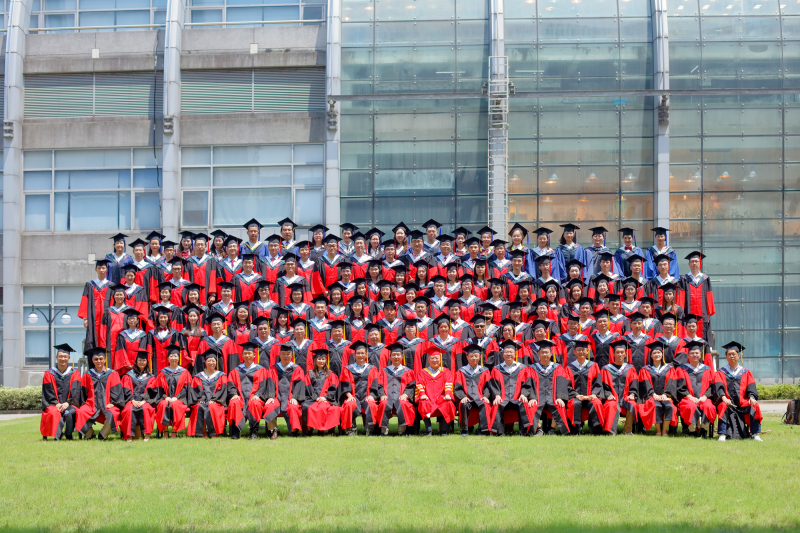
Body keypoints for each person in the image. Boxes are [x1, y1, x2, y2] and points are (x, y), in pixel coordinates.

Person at [715, 341, 763, 441]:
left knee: (754, 405)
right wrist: (724, 398)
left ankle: (755, 434)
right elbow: (718, 388)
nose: (731, 356)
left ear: (738, 355)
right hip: (727, 402)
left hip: (742, 403)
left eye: (734, 354)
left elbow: (751, 387)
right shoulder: (721, 372)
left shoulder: (745, 372)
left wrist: (752, 397)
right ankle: (722, 434)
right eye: (729, 354)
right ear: (726, 356)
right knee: (722, 405)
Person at [75, 348, 124, 440]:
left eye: (101, 359)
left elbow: (117, 392)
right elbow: (83, 392)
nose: (99, 361)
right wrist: (84, 404)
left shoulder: (112, 374)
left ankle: (103, 435)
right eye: (96, 359)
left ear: (105, 359)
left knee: (113, 413)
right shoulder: (87, 374)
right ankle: (89, 435)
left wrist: (113, 403)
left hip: (107, 404)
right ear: (92, 360)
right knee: (81, 411)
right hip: (91, 404)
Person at [227, 342, 271, 440]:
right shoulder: (236, 370)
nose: (247, 356)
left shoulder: (261, 370)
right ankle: (236, 432)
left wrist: (258, 395)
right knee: (234, 402)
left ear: (254, 355)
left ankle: (253, 432)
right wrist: (234, 394)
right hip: (240, 397)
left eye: (249, 353)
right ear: (242, 355)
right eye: (245, 353)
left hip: (254, 396)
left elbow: (263, 385)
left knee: (255, 403)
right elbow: (231, 384)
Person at [491, 340, 536, 436]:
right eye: (506, 352)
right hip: (503, 398)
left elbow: (527, 384)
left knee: (523, 403)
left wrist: (523, 394)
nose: (509, 354)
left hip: (517, 398)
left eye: (511, 352)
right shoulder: (496, 369)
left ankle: (523, 432)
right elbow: (493, 384)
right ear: (503, 354)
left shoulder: (522, 368)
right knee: (497, 404)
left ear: (515, 354)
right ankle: (499, 432)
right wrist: (497, 395)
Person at [673, 340, 717, 438]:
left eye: (697, 353)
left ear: (700, 355)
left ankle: (704, 428)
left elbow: (711, 386)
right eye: (692, 353)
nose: (694, 355)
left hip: (703, 398)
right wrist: (690, 397)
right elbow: (680, 386)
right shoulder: (681, 369)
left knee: (708, 406)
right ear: (688, 355)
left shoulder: (707, 369)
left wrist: (705, 397)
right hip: (687, 398)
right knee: (690, 406)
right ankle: (692, 429)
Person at [528, 339, 571, 436]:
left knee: (559, 405)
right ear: (538, 354)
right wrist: (532, 398)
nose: (544, 354)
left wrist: (559, 397)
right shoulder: (532, 368)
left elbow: (561, 383)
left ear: (551, 354)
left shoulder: (557, 367)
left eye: (547, 352)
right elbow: (529, 384)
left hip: (553, 396)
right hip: (538, 397)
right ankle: (539, 429)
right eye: (542, 352)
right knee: (532, 406)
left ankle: (552, 429)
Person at [40, 344, 82, 441]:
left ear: (69, 358)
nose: (63, 359)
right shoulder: (49, 374)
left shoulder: (75, 373)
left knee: (69, 412)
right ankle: (57, 435)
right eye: (60, 356)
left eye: (65, 357)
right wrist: (57, 403)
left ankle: (68, 434)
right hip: (54, 403)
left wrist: (67, 403)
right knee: (53, 412)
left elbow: (76, 390)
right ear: (56, 357)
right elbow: (48, 391)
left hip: (70, 403)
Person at [374, 343, 417, 436]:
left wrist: (405, 395)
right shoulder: (384, 371)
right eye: (394, 355)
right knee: (384, 403)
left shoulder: (408, 371)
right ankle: (384, 431)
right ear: (390, 357)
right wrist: (382, 395)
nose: (396, 357)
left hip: (401, 397)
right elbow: (379, 385)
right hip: (387, 397)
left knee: (403, 403)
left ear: (402, 357)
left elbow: (411, 386)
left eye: (398, 355)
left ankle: (402, 431)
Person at [338, 341, 380, 436]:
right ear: (354, 355)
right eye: (358, 353)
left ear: (366, 355)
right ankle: (351, 430)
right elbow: (344, 384)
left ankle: (370, 430)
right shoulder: (348, 369)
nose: (360, 355)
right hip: (353, 396)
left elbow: (375, 384)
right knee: (349, 404)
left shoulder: (372, 368)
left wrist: (372, 395)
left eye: (362, 353)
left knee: (371, 405)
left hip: (367, 396)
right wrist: (349, 396)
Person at [637, 340, 679, 436]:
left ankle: (664, 431)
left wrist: (666, 394)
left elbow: (671, 383)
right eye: (654, 353)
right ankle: (658, 431)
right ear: (651, 356)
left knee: (669, 406)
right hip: (651, 396)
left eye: (659, 352)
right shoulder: (645, 369)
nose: (657, 355)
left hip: (665, 396)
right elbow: (646, 383)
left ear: (662, 354)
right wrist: (653, 394)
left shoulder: (669, 369)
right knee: (656, 406)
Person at [564, 340, 605, 435]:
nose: (581, 352)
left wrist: (594, 394)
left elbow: (598, 383)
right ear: (574, 352)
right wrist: (576, 395)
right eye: (578, 350)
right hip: (575, 397)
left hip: (590, 396)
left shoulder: (593, 366)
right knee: (574, 404)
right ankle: (576, 429)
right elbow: (567, 385)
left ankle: (595, 429)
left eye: (583, 350)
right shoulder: (569, 367)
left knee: (596, 403)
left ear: (587, 351)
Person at [599, 339, 639, 435]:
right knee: (611, 405)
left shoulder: (630, 368)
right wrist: (608, 394)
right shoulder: (606, 369)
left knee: (633, 404)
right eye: (617, 352)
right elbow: (603, 385)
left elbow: (634, 383)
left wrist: (632, 394)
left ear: (625, 354)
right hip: (612, 397)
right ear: (613, 354)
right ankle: (611, 431)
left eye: (622, 352)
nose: (620, 354)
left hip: (625, 397)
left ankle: (627, 431)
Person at [454, 344, 495, 436]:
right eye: (471, 356)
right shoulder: (461, 371)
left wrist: (485, 396)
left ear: (480, 357)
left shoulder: (484, 371)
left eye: (476, 356)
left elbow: (488, 386)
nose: (474, 358)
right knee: (464, 404)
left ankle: (482, 430)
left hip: (480, 397)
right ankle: (465, 430)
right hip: (467, 397)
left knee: (485, 403)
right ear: (467, 357)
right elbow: (457, 387)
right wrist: (463, 397)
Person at [415, 347, 456, 436]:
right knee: (423, 402)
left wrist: (448, 394)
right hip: (428, 398)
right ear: (428, 359)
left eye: (437, 358)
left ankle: (443, 430)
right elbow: (419, 384)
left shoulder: (445, 371)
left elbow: (449, 383)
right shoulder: (423, 372)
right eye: (432, 358)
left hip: (441, 398)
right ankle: (429, 430)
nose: (434, 360)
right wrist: (422, 394)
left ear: (440, 359)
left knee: (448, 403)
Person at [154, 345, 192, 438]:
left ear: (179, 358)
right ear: (167, 358)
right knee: (163, 404)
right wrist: (165, 397)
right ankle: (166, 431)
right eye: (171, 356)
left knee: (175, 405)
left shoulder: (185, 372)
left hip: (180, 399)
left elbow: (187, 389)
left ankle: (174, 432)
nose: (173, 358)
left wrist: (177, 397)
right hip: (165, 398)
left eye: (175, 356)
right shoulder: (163, 372)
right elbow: (158, 388)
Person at [187, 351, 228, 438]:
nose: (211, 363)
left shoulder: (221, 376)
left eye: (213, 361)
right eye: (209, 361)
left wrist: (214, 399)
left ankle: (214, 433)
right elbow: (195, 390)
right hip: (202, 400)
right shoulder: (198, 376)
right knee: (199, 406)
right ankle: (202, 432)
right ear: (205, 362)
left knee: (212, 406)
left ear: (216, 362)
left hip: (216, 401)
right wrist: (201, 399)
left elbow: (222, 390)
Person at [120, 350, 158, 442]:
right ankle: (129, 436)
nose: (142, 362)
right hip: (131, 400)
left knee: (146, 409)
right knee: (129, 410)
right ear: (136, 361)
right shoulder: (128, 375)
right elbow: (126, 389)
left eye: (144, 360)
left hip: (145, 401)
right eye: (140, 360)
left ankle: (147, 435)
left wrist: (144, 401)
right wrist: (132, 400)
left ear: (147, 362)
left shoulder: (151, 377)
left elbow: (152, 391)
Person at [679, 251, 716, 344]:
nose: (694, 263)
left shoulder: (705, 279)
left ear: (700, 263)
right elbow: (681, 297)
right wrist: (680, 312)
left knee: (703, 336)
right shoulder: (684, 279)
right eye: (692, 261)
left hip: (703, 313)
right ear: (689, 264)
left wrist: (709, 312)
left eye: (696, 261)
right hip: (688, 312)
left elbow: (709, 296)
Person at [270, 344, 306, 437]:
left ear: (291, 355)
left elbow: (299, 383)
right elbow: (270, 382)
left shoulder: (297, 368)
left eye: (288, 354)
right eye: (283, 354)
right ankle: (274, 430)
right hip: (277, 396)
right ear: (279, 354)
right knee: (270, 406)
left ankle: (294, 430)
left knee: (293, 407)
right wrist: (271, 396)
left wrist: (295, 397)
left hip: (291, 396)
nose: (285, 356)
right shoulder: (273, 368)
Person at [304, 349, 342, 436]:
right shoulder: (310, 373)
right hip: (312, 398)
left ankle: (326, 430)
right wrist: (316, 398)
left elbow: (333, 388)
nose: (321, 361)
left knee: (331, 408)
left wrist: (325, 398)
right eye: (319, 359)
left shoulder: (331, 374)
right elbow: (308, 388)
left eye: (323, 359)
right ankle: (312, 430)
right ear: (315, 360)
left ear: (326, 361)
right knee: (308, 407)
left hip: (327, 399)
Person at [112, 309, 148, 375]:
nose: (132, 320)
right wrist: (126, 364)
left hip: (138, 365)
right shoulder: (122, 334)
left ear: (137, 321)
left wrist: (137, 363)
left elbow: (142, 350)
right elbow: (120, 351)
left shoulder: (142, 335)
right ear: (127, 321)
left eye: (133, 318)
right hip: (125, 367)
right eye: (130, 319)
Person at [186, 233, 218, 305]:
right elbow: (186, 278)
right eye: (198, 245)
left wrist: (213, 294)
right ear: (194, 246)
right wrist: (187, 293)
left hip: (207, 295)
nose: (200, 247)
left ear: (205, 246)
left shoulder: (211, 260)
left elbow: (213, 277)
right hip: (192, 295)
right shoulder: (189, 261)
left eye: (202, 245)